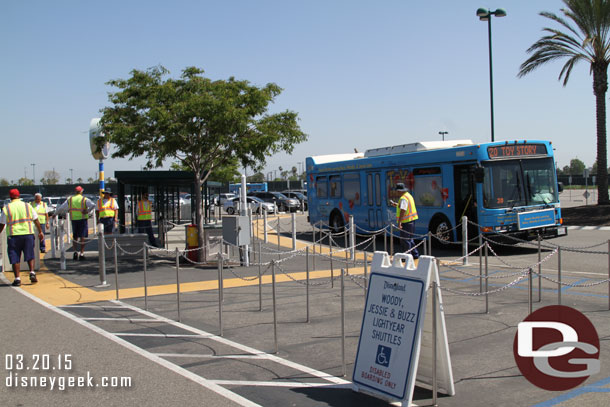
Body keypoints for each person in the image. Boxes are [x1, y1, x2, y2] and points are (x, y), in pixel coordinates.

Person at [0, 189, 44, 286]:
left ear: (10, 197)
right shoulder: (27, 206)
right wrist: (40, 232)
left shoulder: (7, 208)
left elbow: (2, 224)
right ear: (19, 196)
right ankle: (32, 272)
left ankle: (17, 279)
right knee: (30, 254)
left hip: (14, 236)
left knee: (15, 256)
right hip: (28, 234)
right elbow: (36, 219)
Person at [55, 186, 96, 260]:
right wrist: (87, 211)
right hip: (82, 219)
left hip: (74, 219)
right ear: (81, 191)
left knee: (75, 237)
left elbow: (61, 207)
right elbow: (93, 205)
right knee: (82, 237)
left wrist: (55, 214)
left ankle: (75, 252)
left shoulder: (70, 199)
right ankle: (82, 253)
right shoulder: (84, 199)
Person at [392, 183, 419, 259]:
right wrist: (397, 204)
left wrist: (400, 222)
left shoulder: (403, 198)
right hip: (412, 221)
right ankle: (415, 255)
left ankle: (407, 257)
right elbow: (405, 206)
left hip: (406, 222)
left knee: (405, 240)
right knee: (410, 239)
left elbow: (403, 210)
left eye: (397, 191)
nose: (397, 192)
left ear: (400, 191)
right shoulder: (408, 196)